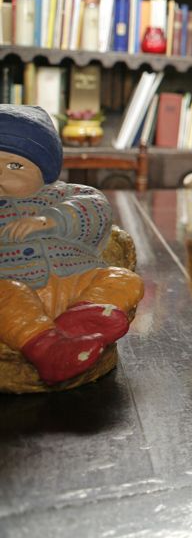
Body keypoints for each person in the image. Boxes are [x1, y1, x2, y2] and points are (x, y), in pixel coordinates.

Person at [0, 105, 144, 386]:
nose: (1, 175)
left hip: (76, 279)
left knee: (125, 281)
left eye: (14, 165)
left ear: (44, 171)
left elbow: (96, 207)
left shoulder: (62, 194)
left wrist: (50, 221)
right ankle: (47, 346)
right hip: (13, 293)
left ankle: (81, 322)